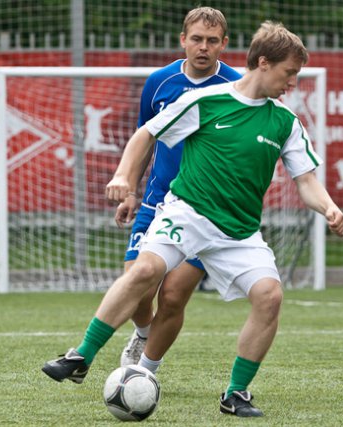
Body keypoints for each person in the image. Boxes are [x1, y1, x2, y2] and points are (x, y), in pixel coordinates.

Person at [42, 21, 343, 417]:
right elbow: (146, 134)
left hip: (238, 232)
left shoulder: (285, 122)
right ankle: (81, 356)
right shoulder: (207, 101)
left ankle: (235, 394)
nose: (293, 83)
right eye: (289, 73)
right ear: (264, 63)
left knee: (269, 296)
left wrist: (328, 207)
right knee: (145, 270)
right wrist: (123, 177)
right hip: (187, 213)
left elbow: (306, 180)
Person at [113, 7, 242, 371]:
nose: (203, 47)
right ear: (183, 40)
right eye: (197, 39)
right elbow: (145, 138)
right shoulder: (159, 82)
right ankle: (142, 334)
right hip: (156, 203)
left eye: (212, 41)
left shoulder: (235, 88)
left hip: (207, 211)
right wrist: (131, 191)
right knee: (137, 286)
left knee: (172, 296)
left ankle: (145, 371)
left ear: (224, 44)